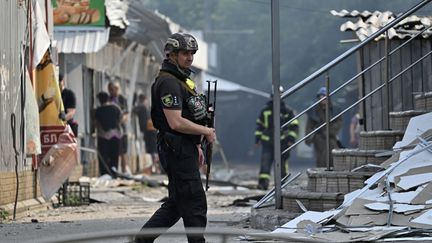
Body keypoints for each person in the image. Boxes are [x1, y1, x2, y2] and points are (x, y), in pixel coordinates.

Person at [135, 32, 216, 243]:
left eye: (192, 53)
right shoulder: (169, 83)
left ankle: (140, 241)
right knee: (194, 201)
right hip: (176, 149)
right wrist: (205, 131)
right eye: (184, 53)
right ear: (172, 55)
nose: (189, 57)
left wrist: (196, 144)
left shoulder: (181, 80)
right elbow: (175, 122)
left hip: (183, 147)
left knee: (177, 204)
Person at [254, 90, 299, 190]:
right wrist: (257, 139)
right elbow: (259, 126)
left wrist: (291, 138)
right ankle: (263, 184)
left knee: (282, 165)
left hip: (282, 142)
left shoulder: (287, 110)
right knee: (265, 163)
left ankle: (282, 185)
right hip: (267, 141)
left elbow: (294, 125)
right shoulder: (265, 110)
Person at [305, 87, 343, 168]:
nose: (322, 98)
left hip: (331, 138)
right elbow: (309, 125)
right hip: (319, 138)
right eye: (321, 96)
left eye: (324, 96)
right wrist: (309, 137)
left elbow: (339, 122)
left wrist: (330, 131)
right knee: (320, 159)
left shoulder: (334, 109)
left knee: (332, 158)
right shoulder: (314, 110)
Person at [94, 91, 122, 177]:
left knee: (104, 155)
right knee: (114, 155)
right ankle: (114, 171)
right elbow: (120, 119)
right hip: (116, 135)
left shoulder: (98, 110)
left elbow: (96, 123)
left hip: (103, 135)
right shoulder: (116, 108)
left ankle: (105, 173)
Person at [132, 93, 160, 174]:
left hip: (148, 131)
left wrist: (133, 102)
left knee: (152, 150)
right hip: (153, 129)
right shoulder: (149, 107)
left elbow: (133, 110)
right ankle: (155, 167)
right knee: (154, 149)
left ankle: (155, 168)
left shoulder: (141, 106)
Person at [108, 81, 130, 175]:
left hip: (121, 129)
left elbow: (126, 114)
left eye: (116, 88)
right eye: (112, 89)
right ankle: (114, 171)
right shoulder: (108, 99)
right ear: (109, 90)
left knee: (123, 151)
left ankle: (124, 170)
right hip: (111, 130)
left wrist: (120, 121)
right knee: (113, 151)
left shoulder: (122, 99)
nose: (114, 91)